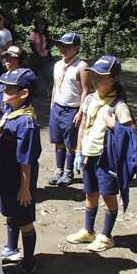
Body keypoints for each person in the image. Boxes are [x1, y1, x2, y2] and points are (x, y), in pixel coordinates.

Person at [66, 57, 134, 251]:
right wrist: (79, 151)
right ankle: (89, 231)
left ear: (113, 79)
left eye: (101, 76)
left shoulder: (118, 106)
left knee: (108, 196)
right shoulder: (90, 99)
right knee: (90, 193)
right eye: (93, 75)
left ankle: (106, 235)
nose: (95, 79)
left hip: (106, 160)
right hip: (88, 155)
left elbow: (130, 134)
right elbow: (83, 127)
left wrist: (114, 125)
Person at [0, 68, 41, 274]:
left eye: (10, 87)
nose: (4, 90)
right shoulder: (11, 113)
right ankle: (11, 248)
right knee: (10, 215)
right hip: (6, 178)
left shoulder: (26, 123)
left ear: (24, 93)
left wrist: (25, 188)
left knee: (24, 221)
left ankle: (27, 264)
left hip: (19, 182)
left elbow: (26, 159)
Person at [48, 32, 91, 187]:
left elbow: (85, 90)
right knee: (58, 140)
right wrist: (52, 105)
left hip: (72, 109)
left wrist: (81, 111)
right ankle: (58, 170)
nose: (62, 49)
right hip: (57, 107)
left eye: (67, 46)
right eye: (61, 46)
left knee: (70, 141)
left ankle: (69, 171)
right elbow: (55, 86)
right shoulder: (58, 65)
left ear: (76, 48)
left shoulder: (82, 67)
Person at [0, 46, 28, 122]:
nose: (8, 61)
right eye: (7, 57)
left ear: (23, 62)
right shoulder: (3, 77)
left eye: (13, 58)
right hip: (2, 116)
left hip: (16, 117)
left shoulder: (24, 80)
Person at [28, 17, 52, 97]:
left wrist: (49, 53)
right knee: (33, 75)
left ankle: (50, 92)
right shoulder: (34, 34)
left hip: (44, 56)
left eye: (42, 24)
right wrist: (38, 55)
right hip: (34, 57)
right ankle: (31, 91)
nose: (40, 26)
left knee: (46, 74)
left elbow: (47, 44)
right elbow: (32, 46)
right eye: (39, 24)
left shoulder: (46, 34)